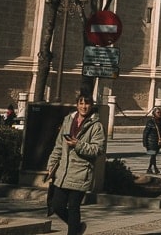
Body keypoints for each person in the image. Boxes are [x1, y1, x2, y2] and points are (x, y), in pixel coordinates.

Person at [47, 92, 107, 235]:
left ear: (91, 106)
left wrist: (78, 144)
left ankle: (73, 231)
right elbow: (59, 145)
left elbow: (98, 149)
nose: (84, 106)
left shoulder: (96, 126)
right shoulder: (68, 120)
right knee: (56, 205)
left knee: (74, 207)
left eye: (87, 103)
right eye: (81, 103)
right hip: (63, 172)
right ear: (77, 104)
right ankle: (77, 227)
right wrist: (51, 164)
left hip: (81, 172)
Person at [142, 106, 161, 175]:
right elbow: (145, 133)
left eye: (160, 112)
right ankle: (154, 168)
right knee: (153, 155)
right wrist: (145, 143)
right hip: (151, 142)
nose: (160, 114)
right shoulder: (150, 122)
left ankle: (150, 169)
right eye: (158, 112)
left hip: (158, 142)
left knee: (154, 155)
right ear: (154, 113)